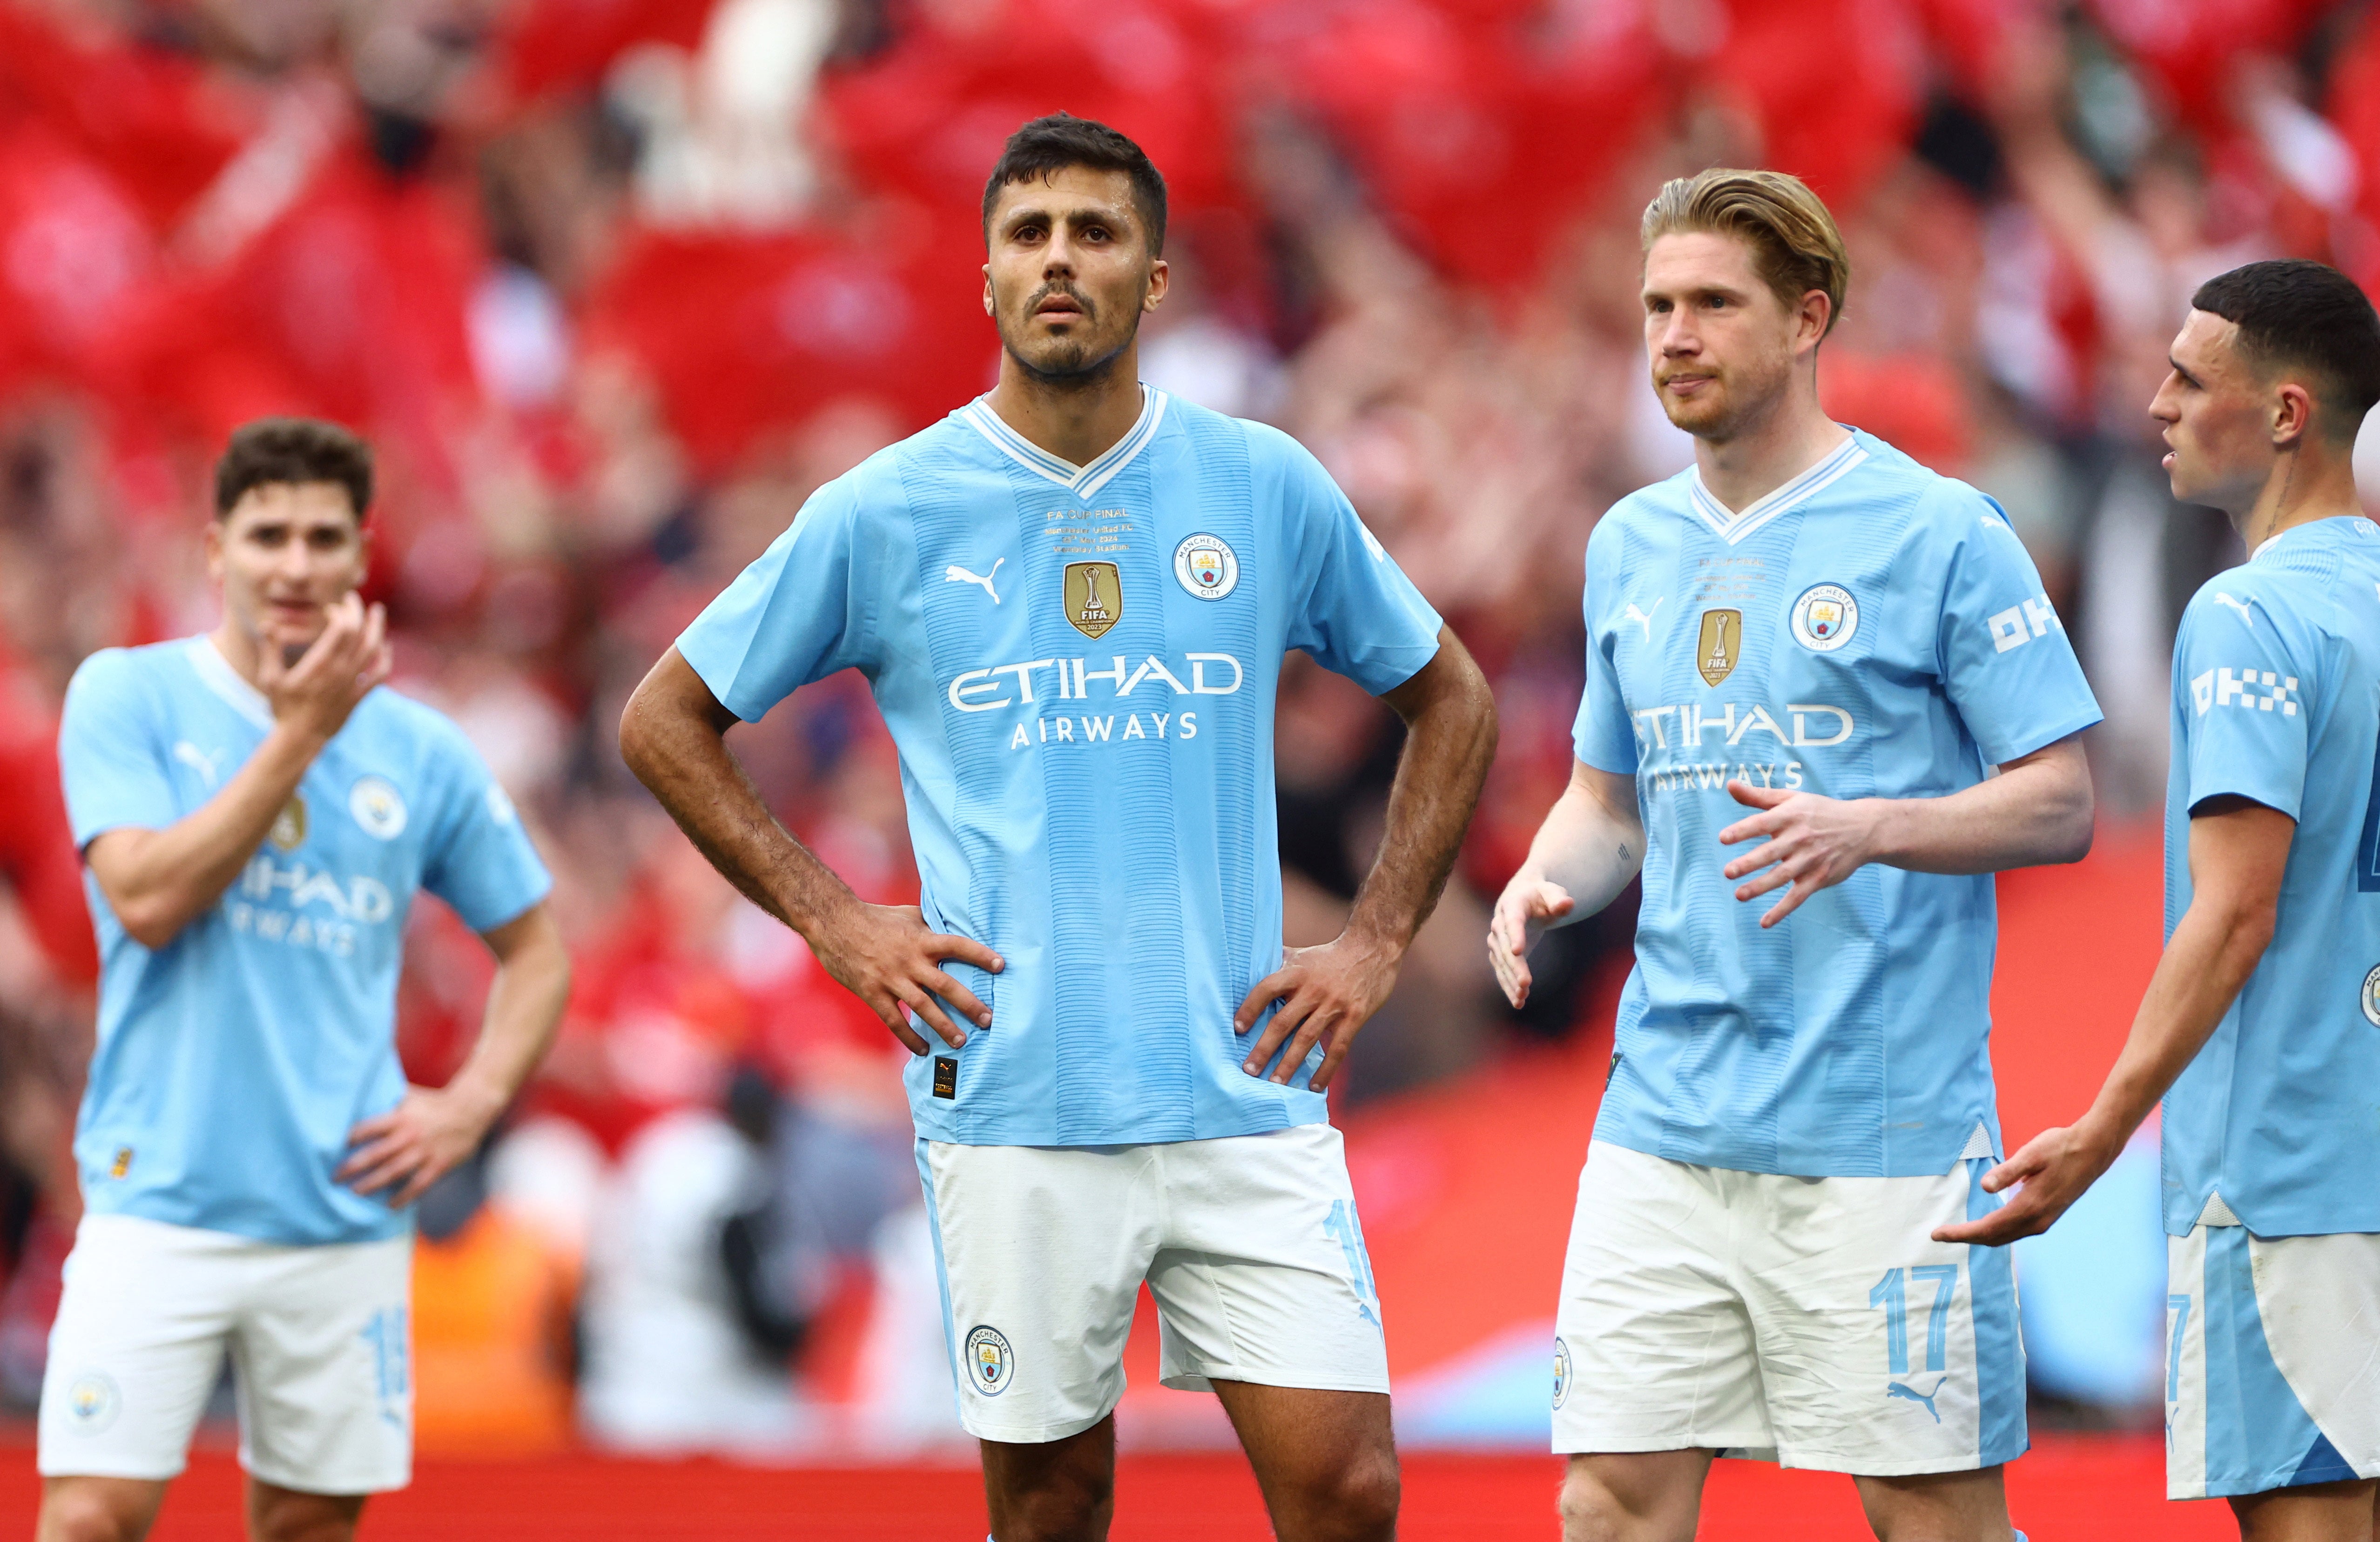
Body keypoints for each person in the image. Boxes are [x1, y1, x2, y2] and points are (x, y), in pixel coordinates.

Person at [619, 114, 1496, 1542]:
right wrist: (839, 921)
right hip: (1019, 1096)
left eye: (1096, 233)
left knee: (1349, 1490)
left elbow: (1449, 697)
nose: (1059, 261)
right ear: (987, 279)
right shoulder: (888, 509)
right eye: (1028, 236)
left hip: (1241, 1079)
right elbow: (664, 720)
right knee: (1050, 1507)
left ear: (1155, 278)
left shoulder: (1262, 484)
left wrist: (1377, 938)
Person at [1486, 168, 2102, 1542]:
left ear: (1809, 317)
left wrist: (1868, 826)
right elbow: (1611, 803)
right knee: (1607, 1500)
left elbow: (2061, 800)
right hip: (1662, 1120)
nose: (1674, 337)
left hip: (1879, 1126)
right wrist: (1545, 875)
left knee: (1926, 1515)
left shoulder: (1940, 529)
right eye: (1656, 306)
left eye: (1713, 303)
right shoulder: (1627, 544)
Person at [36, 418, 571, 1542]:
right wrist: (299, 737)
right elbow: (143, 896)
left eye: (323, 537)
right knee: (91, 1514)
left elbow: (538, 951)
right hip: (156, 1197)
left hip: (340, 1206)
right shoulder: (127, 696)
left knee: (309, 1526)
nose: (295, 564)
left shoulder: (418, 750)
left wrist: (469, 1107)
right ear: (214, 547)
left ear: (360, 554)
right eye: (267, 532)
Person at [1942, 259, 2380, 1540]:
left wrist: (2095, 1131)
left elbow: (2235, 911)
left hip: (2288, 1180)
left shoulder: (2248, 615)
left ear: (2287, 412)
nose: (2155, 405)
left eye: (2190, 380)